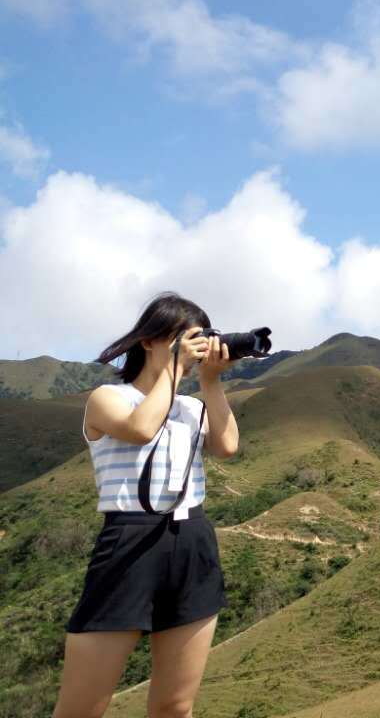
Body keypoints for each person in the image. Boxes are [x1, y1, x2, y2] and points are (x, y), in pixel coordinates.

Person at [53, 291, 241, 718]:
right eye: (185, 340)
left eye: (201, 340)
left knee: (175, 707)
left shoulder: (193, 406)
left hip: (192, 540)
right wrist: (175, 370)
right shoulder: (108, 398)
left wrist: (210, 380)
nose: (194, 350)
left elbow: (228, 445)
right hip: (130, 541)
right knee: (81, 710)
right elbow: (140, 429)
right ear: (149, 340)